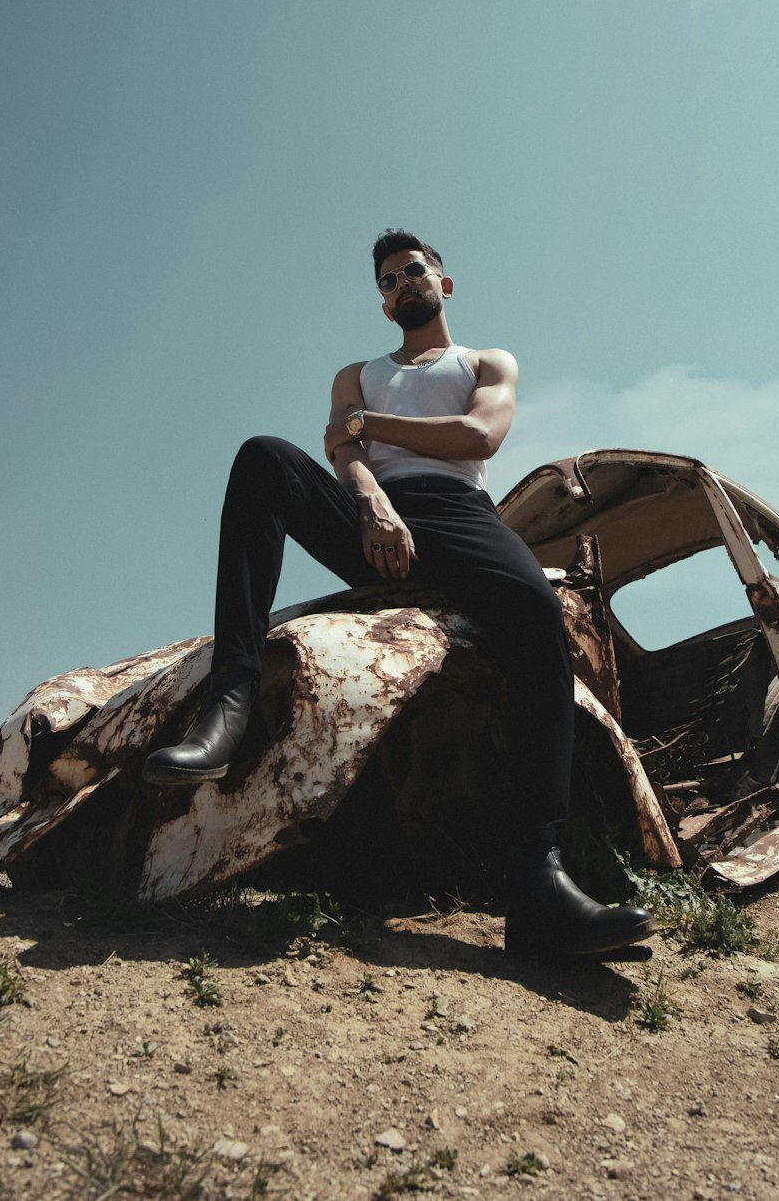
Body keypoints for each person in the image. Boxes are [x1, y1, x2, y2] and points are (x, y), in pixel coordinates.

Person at [144, 230, 653, 958]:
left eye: (414, 271)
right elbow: (340, 452)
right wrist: (371, 497)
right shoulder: (355, 373)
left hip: (458, 515)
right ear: (383, 305)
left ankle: (539, 884)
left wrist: (364, 428)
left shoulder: (485, 362)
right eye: (387, 281)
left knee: (541, 618)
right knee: (262, 458)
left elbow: (479, 437)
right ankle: (228, 707)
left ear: (444, 284)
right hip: (374, 520)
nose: (401, 283)